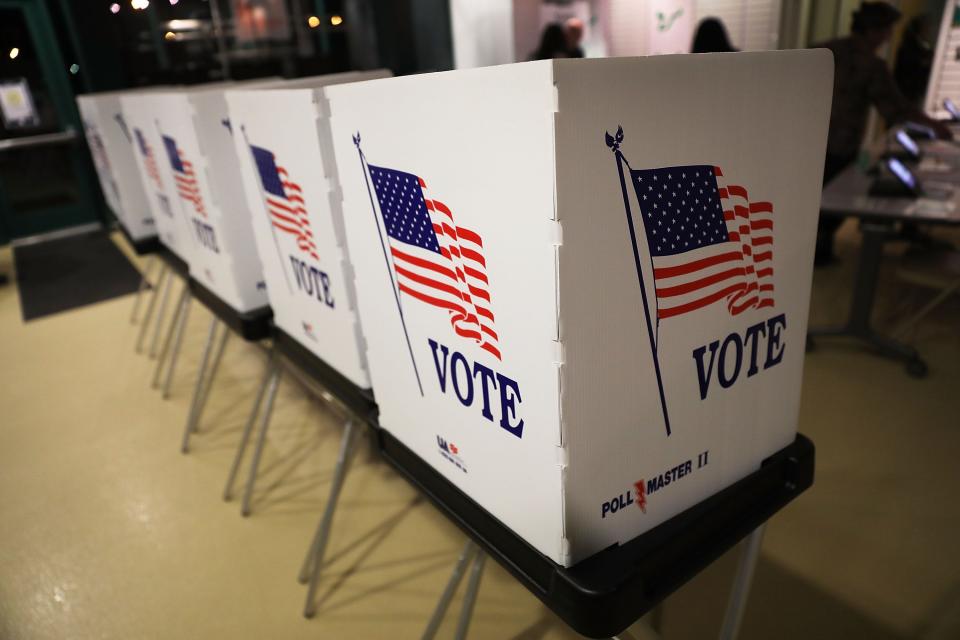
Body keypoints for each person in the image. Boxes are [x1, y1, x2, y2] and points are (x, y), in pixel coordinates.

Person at [813, 2, 952, 265]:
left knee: (816, 200)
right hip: (838, 144)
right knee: (829, 202)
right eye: (886, 30)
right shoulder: (870, 65)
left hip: (810, 142)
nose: (888, 36)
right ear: (874, 30)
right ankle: (818, 251)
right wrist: (933, 126)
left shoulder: (823, 50)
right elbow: (896, 108)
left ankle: (816, 250)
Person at [894, 14, 933, 106]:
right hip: (906, 92)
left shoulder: (923, 46)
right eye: (926, 28)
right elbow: (912, 65)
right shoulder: (909, 46)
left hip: (913, 93)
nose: (928, 31)